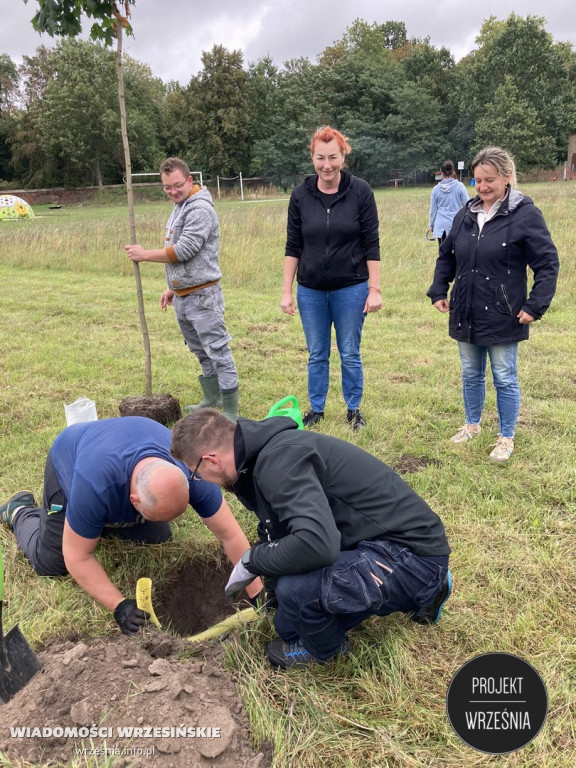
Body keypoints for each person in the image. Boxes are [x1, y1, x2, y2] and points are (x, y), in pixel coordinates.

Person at [170, 409, 451, 669]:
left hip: (409, 553)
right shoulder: (254, 464)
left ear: (211, 460)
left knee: (298, 592)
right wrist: (272, 590)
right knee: (287, 623)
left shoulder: (278, 463)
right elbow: (280, 531)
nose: (201, 480)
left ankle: (326, 650)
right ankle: (419, 590)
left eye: (196, 474)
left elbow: (317, 544)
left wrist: (253, 560)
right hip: (368, 541)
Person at [0, 417, 262, 634]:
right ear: (134, 500)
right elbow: (77, 557)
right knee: (51, 562)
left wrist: (258, 594)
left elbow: (230, 535)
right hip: (68, 461)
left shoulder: (191, 472)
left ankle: (95, 526)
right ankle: (20, 510)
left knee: (157, 536)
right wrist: (119, 606)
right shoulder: (93, 486)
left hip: (121, 454)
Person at [427, 146, 559, 462]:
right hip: (466, 309)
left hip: (505, 312)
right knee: (471, 372)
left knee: (504, 376)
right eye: (477, 181)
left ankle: (506, 437)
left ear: (507, 177)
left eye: (490, 180)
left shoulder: (525, 213)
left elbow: (548, 262)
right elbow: (447, 255)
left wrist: (535, 304)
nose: (483, 187)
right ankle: (472, 425)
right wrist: (439, 290)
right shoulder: (466, 213)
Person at [281, 126, 381, 431]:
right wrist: (287, 290)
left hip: (351, 288)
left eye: (333, 158)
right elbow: (293, 245)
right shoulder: (300, 195)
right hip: (310, 290)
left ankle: (353, 409)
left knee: (349, 351)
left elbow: (371, 243)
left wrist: (374, 289)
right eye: (320, 158)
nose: (327, 165)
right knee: (317, 353)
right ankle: (317, 409)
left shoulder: (360, 191)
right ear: (312, 157)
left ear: (343, 156)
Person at [125, 157, 239, 421]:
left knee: (218, 351)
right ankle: (212, 398)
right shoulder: (180, 205)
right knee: (200, 350)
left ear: (189, 180)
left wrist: (144, 254)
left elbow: (185, 250)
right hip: (184, 296)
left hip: (203, 296)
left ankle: (231, 411)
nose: (173, 191)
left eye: (177, 185)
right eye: (167, 187)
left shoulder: (199, 209)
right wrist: (172, 288)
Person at [428, 160, 469, 244]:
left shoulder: (435, 189)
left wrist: (431, 225)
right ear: (452, 171)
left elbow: (433, 210)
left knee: (443, 253)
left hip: (441, 225)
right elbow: (467, 205)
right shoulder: (460, 187)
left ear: (441, 172)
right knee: (456, 253)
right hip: (456, 224)